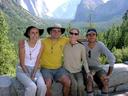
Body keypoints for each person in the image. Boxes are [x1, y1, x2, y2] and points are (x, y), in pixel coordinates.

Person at [81, 28, 116, 96]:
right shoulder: (83, 44)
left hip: (97, 68)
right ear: (86, 36)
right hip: (87, 68)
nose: (91, 36)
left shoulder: (100, 45)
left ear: (96, 36)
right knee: (89, 80)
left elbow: (111, 57)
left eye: (93, 34)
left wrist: (108, 74)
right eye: (89, 35)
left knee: (105, 80)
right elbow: (74, 39)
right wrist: (84, 39)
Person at [40, 24, 71, 96]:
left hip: (59, 69)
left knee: (68, 82)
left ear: (60, 33)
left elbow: (74, 39)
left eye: (58, 31)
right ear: (50, 32)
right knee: (47, 85)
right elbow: (32, 42)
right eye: (54, 31)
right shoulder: (43, 41)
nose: (56, 33)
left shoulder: (63, 40)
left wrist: (89, 39)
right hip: (46, 68)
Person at [16, 26, 47, 96]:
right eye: (32, 33)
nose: (35, 35)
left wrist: (33, 74)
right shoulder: (23, 44)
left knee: (43, 87)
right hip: (22, 70)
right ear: (28, 34)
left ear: (39, 35)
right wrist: (29, 75)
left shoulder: (41, 45)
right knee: (32, 87)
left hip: (35, 69)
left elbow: (37, 61)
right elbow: (22, 63)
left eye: (36, 33)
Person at [63, 28, 92, 96]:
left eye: (76, 34)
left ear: (78, 36)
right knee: (74, 85)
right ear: (69, 35)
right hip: (67, 71)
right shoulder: (64, 44)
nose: (73, 35)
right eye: (71, 33)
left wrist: (88, 72)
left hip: (78, 71)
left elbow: (84, 61)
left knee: (80, 85)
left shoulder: (81, 47)